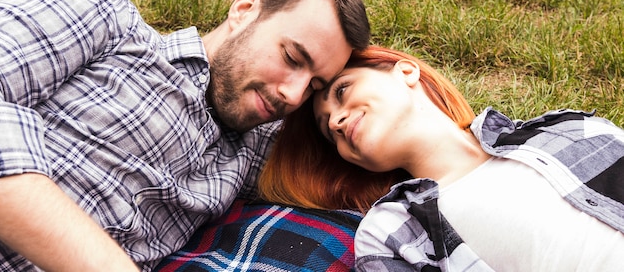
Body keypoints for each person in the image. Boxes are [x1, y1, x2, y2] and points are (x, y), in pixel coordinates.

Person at [0, 0, 370, 271]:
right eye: (291, 57)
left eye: (315, 87)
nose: (293, 95)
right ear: (244, 10)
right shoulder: (106, 16)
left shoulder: (258, 153)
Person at [259, 45, 624, 271]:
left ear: (405, 71)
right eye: (328, 130)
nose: (336, 121)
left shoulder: (570, 129)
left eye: (342, 91)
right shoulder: (388, 233)